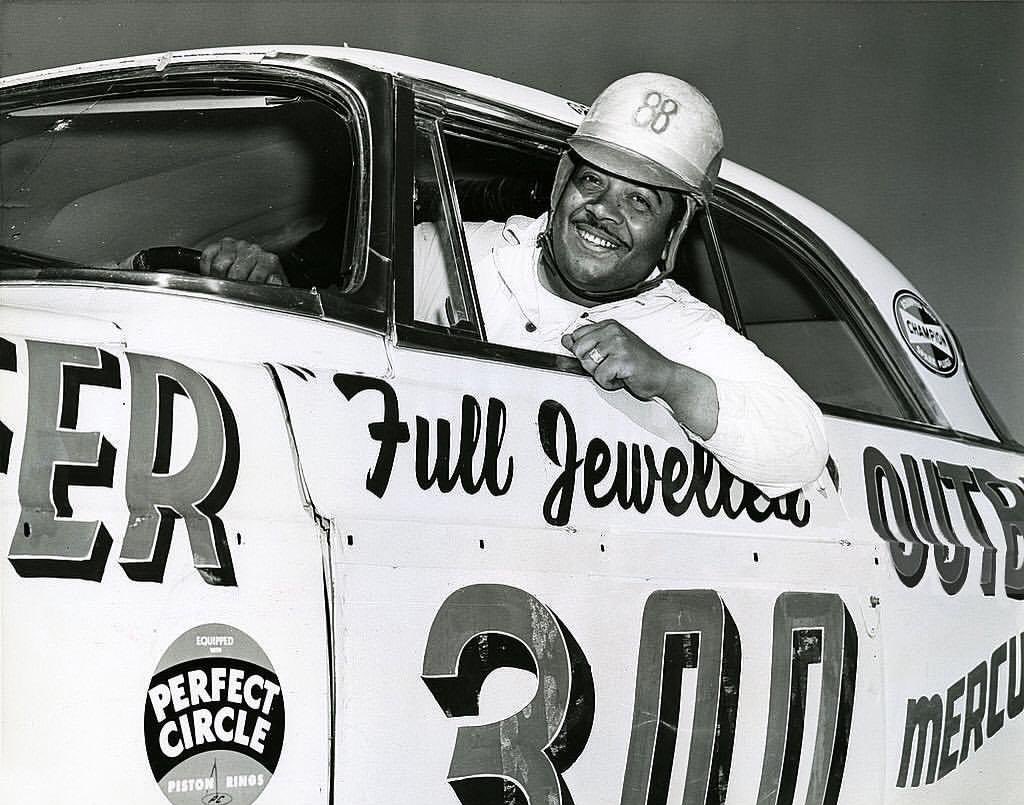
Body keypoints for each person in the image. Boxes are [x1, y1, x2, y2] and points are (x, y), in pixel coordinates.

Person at [195, 73, 828, 497]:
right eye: (593, 182)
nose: (603, 212)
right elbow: (331, 337)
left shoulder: (683, 329)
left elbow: (801, 452)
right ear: (560, 183)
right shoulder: (450, 249)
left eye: (640, 203)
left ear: (674, 230)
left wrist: (667, 377)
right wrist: (274, 285)